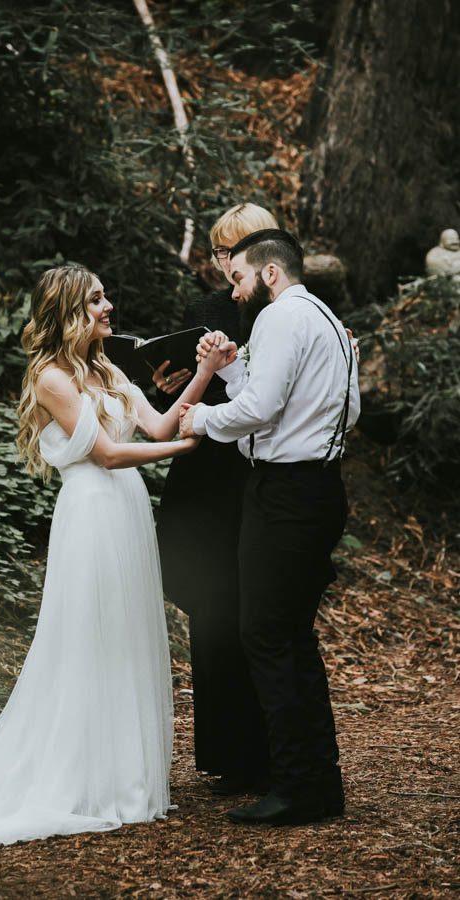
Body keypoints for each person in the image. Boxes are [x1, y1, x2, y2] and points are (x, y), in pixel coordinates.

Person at [0, 264, 218, 850]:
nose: (108, 306)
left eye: (106, 295)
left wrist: (203, 373)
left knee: (124, 633)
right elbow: (105, 454)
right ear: (70, 311)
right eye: (96, 299)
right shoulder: (51, 376)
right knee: (89, 637)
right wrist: (187, 448)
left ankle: (121, 772)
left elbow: (155, 424)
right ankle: (82, 776)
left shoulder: (106, 367)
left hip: (126, 510)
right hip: (93, 512)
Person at [180, 229, 361, 826]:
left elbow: (259, 412)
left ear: (270, 274)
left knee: (264, 634)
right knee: (292, 637)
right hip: (318, 490)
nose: (234, 292)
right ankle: (320, 781)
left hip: (284, 495)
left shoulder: (281, 318)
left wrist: (201, 416)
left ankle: (296, 786)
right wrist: (231, 372)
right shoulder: (329, 320)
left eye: (238, 278)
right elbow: (341, 409)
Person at [153, 203, 277, 794]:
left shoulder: (288, 310)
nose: (229, 263)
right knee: (213, 610)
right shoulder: (202, 310)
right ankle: (226, 754)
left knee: (257, 609)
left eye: (240, 250)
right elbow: (181, 385)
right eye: (222, 252)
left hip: (261, 473)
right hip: (207, 479)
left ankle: (270, 747)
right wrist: (174, 380)